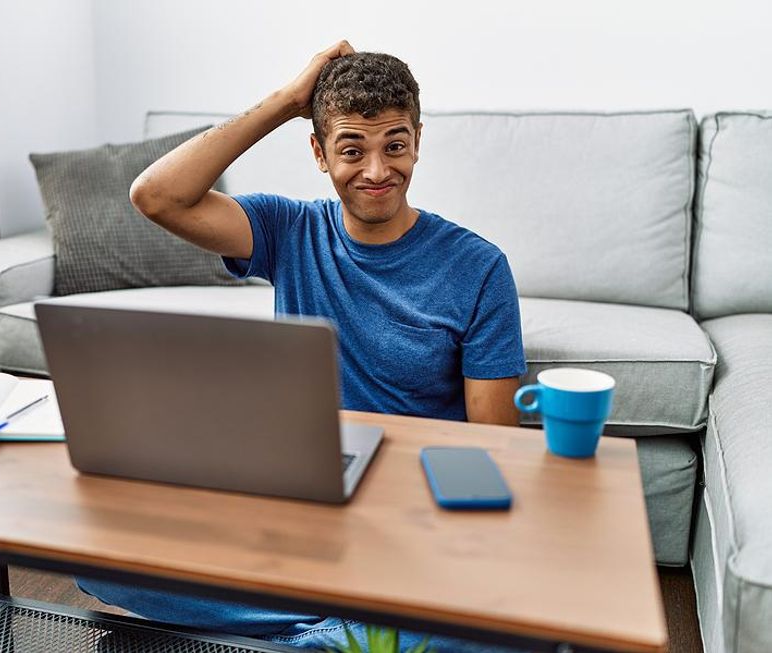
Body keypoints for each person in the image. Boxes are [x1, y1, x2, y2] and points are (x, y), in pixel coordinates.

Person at [77, 41, 527, 652]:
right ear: (318, 152)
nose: (376, 170)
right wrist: (288, 100)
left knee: (514, 632)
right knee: (99, 559)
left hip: (410, 512)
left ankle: (313, 628)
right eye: (351, 149)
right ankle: (339, 631)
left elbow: (492, 447)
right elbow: (156, 195)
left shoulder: (479, 268)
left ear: (418, 140)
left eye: (395, 145)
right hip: (302, 500)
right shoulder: (288, 229)